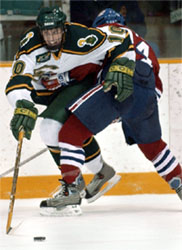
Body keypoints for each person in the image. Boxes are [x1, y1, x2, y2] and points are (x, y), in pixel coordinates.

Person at [53, 8, 182, 207]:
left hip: (117, 84)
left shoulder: (103, 33)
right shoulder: (143, 43)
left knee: (70, 134)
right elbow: (155, 84)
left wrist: (62, 78)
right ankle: (178, 181)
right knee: (153, 146)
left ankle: (71, 190)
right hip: (147, 94)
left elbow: (86, 65)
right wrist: (129, 108)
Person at [5, 6, 122, 216]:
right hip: (54, 90)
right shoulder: (30, 45)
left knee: (50, 129)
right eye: (46, 32)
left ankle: (73, 187)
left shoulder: (80, 36)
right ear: (40, 31)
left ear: (64, 28)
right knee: (62, 131)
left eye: (55, 31)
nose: (51, 37)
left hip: (83, 84)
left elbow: (121, 42)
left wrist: (122, 72)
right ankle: (101, 172)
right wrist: (21, 104)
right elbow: (17, 81)